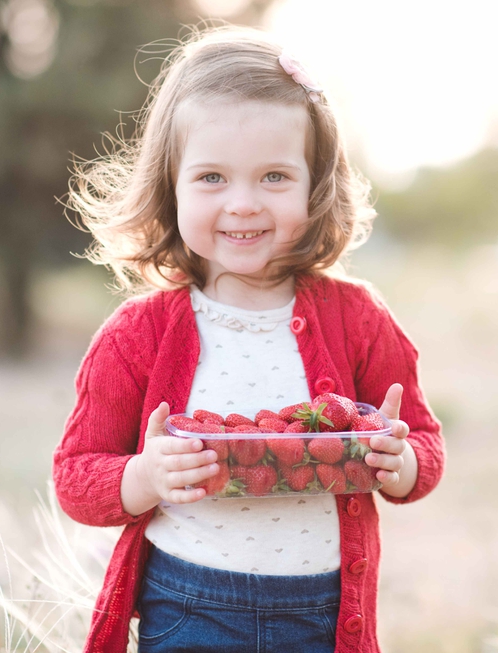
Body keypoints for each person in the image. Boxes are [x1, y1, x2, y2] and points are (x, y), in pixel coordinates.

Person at [52, 25, 445, 653]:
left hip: (323, 610)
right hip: (187, 604)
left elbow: (424, 444)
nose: (242, 203)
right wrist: (146, 477)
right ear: (170, 185)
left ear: (316, 187)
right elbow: (76, 476)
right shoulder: (137, 335)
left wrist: (399, 465)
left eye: (274, 177)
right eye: (211, 178)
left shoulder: (358, 318)